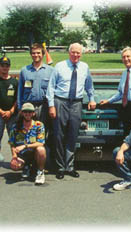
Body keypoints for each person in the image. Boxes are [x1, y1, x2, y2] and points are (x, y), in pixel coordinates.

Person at [46, 43, 96, 179]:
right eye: (73, 52)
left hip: (76, 103)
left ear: (81, 54)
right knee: (58, 135)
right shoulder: (60, 66)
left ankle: (70, 166)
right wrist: (51, 105)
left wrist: (91, 99)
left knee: (73, 135)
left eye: (78, 53)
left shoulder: (84, 67)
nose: (76, 55)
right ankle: (60, 167)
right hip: (60, 101)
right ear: (69, 53)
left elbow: (89, 86)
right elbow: (51, 87)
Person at [99, 46, 131, 135]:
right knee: (127, 135)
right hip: (126, 108)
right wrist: (109, 101)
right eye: (123, 57)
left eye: (128, 56)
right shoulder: (124, 73)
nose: (126, 59)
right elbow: (121, 93)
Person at [18, 43, 54, 136]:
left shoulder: (50, 70)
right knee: (28, 131)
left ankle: (43, 150)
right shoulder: (24, 70)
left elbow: (53, 90)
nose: (36, 55)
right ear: (30, 54)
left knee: (44, 131)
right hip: (29, 106)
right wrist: (19, 107)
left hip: (44, 106)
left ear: (43, 54)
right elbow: (20, 91)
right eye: (33, 53)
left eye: (38, 53)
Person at [8, 103, 47, 185]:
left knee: (41, 149)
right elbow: (12, 144)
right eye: (25, 112)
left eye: (30, 112)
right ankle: (26, 167)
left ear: (34, 113)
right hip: (22, 155)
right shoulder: (15, 127)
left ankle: (40, 172)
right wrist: (14, 157)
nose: (27, 114)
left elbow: (41, 143)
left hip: (35, 154)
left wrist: (25, 146)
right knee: (14, 166)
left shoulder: (39, 125)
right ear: (22, 113)